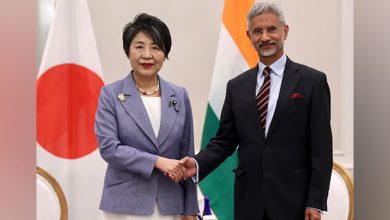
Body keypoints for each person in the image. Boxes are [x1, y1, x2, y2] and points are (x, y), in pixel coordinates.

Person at [180, 2, 333, 220]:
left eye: (271, 29)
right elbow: (224, 141)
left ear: (285, 31)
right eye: (257, 31)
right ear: (249, 36)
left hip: (295, 202)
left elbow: (322, 149)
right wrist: (196, 163)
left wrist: (315, 202)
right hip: (248, 202)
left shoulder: (312, 82)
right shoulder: (236, 86)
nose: (265, 37)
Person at [95, 13, 198, 220]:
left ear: (165, 53)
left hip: (171, 203)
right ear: (128, 51)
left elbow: (187, 156)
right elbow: (109, 148)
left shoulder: (179, 95)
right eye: (139, 46)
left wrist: (190, 208)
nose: (147, 55)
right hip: (124, 204)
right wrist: (157, 162)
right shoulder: (111, 94)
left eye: (156, 47)